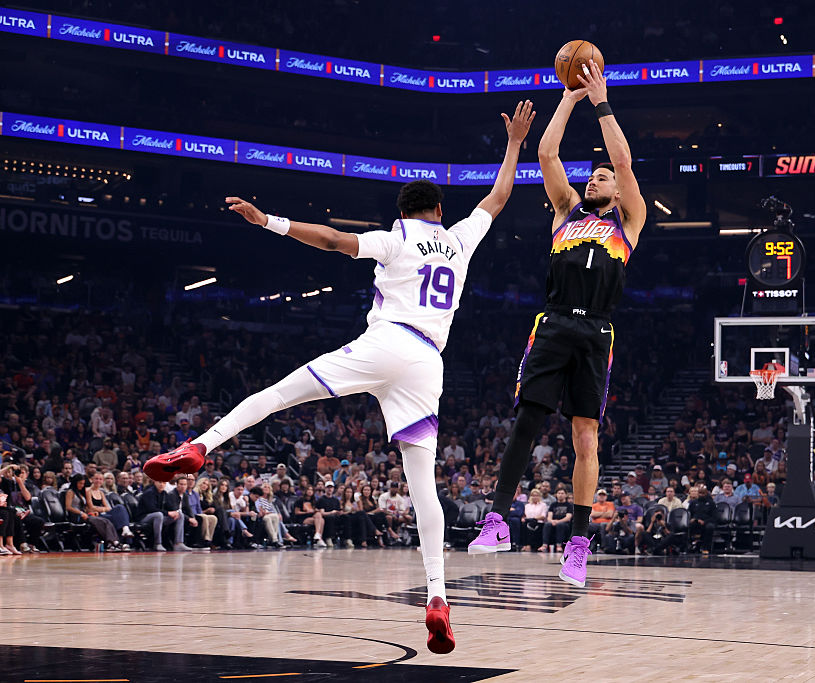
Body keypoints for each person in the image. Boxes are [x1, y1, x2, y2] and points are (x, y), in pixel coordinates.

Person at [141, 101, 536, 654]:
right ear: (441, 210)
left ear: (402, 211)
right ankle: (438, 595)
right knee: (424, 486)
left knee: (279, 394)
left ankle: (201, 447)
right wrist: (515, 141)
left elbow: (330, 239)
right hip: (429, 362)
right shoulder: (461, 237)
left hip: (387, 340)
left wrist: (269, 221)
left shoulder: (395, 239)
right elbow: (497, 197)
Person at [470, 61, 647, 590]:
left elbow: (622, 158)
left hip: (596, 331)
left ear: (616, 192)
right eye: (592, 174)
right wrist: (568, 97)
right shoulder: (566, 210)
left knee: (585, 435)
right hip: (552, 324)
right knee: (527, 419)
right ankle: (497, 521)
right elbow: (547, 154)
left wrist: (601, 101)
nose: (596, 176)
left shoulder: (629, 219)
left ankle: (577, 544)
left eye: (603, 177)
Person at [540, 488, 573, 553]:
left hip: (564, 523)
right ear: (556, 495)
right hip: (554, 522)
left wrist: (558, 521)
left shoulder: (569, 505)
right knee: (547, 524)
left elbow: (568, 517)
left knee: (560, 525)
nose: (560, 495)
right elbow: (549, 517)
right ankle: (544, 545)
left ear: (565, 495)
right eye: (559, 493)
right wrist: (552, 521)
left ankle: (559, 545)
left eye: (562, 493)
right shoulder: (553, 505)